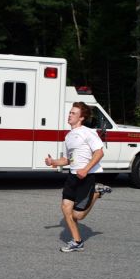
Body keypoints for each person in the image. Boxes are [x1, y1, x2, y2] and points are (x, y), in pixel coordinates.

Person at [45, 101, 112, 253]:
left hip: (85, 177)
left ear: (81, 118)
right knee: (65, 208)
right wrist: (53, 161)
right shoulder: (69, 136)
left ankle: (96, 192)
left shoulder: (88, 132)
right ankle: (77, 242)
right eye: (70, 112)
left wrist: (86, 169)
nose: (69, 115)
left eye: (73, 113)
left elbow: (99, 152)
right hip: (72, 177)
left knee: (78, 215)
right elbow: (68, 160)